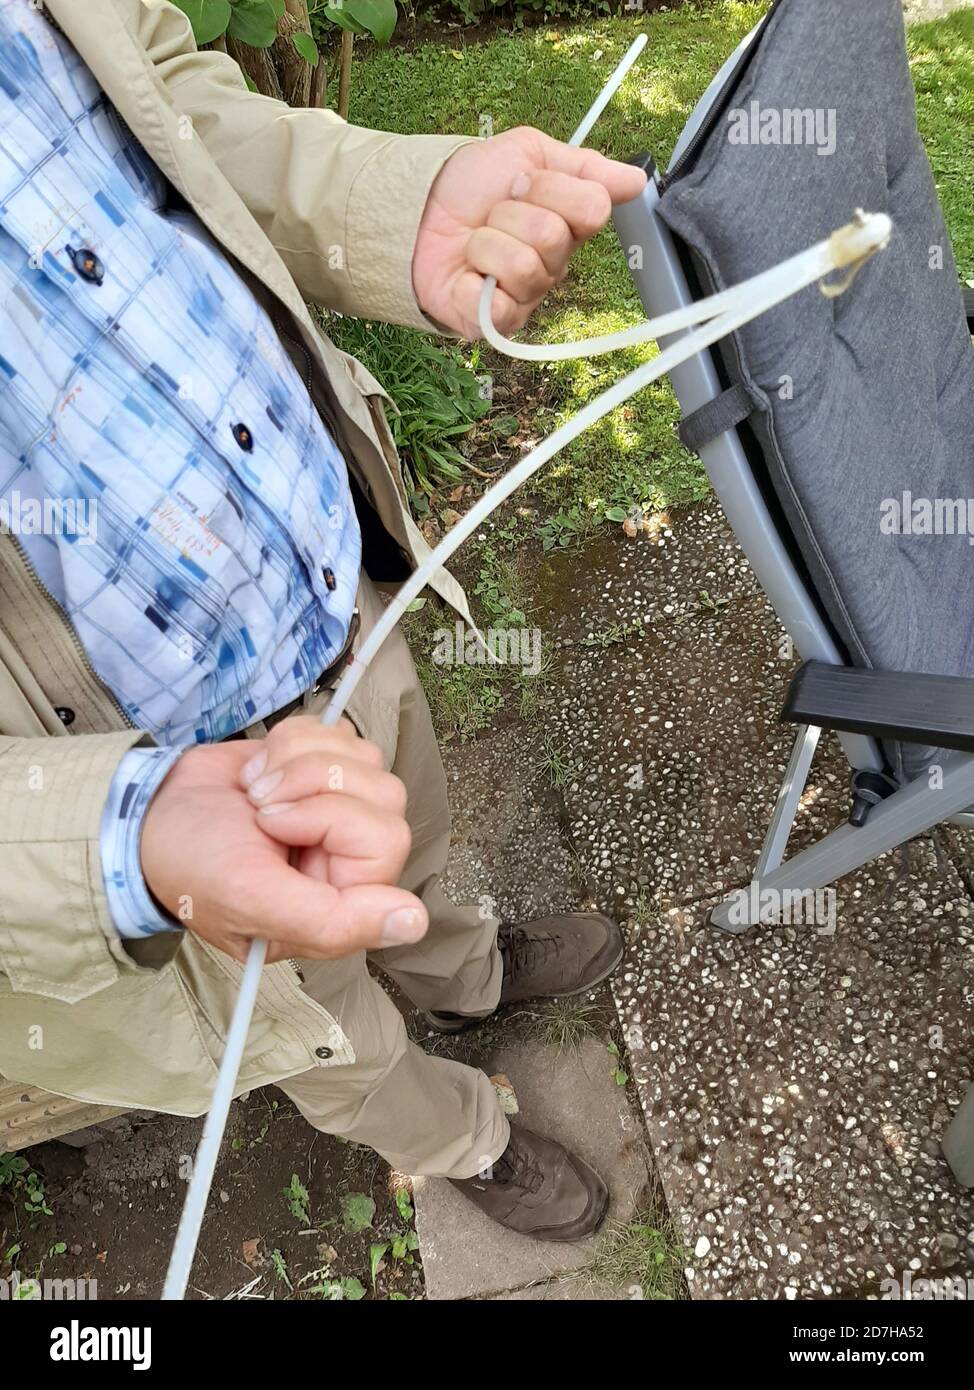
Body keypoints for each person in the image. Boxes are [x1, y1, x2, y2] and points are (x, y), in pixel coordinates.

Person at [0, 0, 645, 1241]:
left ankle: (463, 972)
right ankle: (466, 1133)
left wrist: (388, 205)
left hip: (316, 578)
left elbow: (157, 92)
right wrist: (115, 839)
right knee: (328, 1032)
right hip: (160, 791)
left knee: (412, 833)